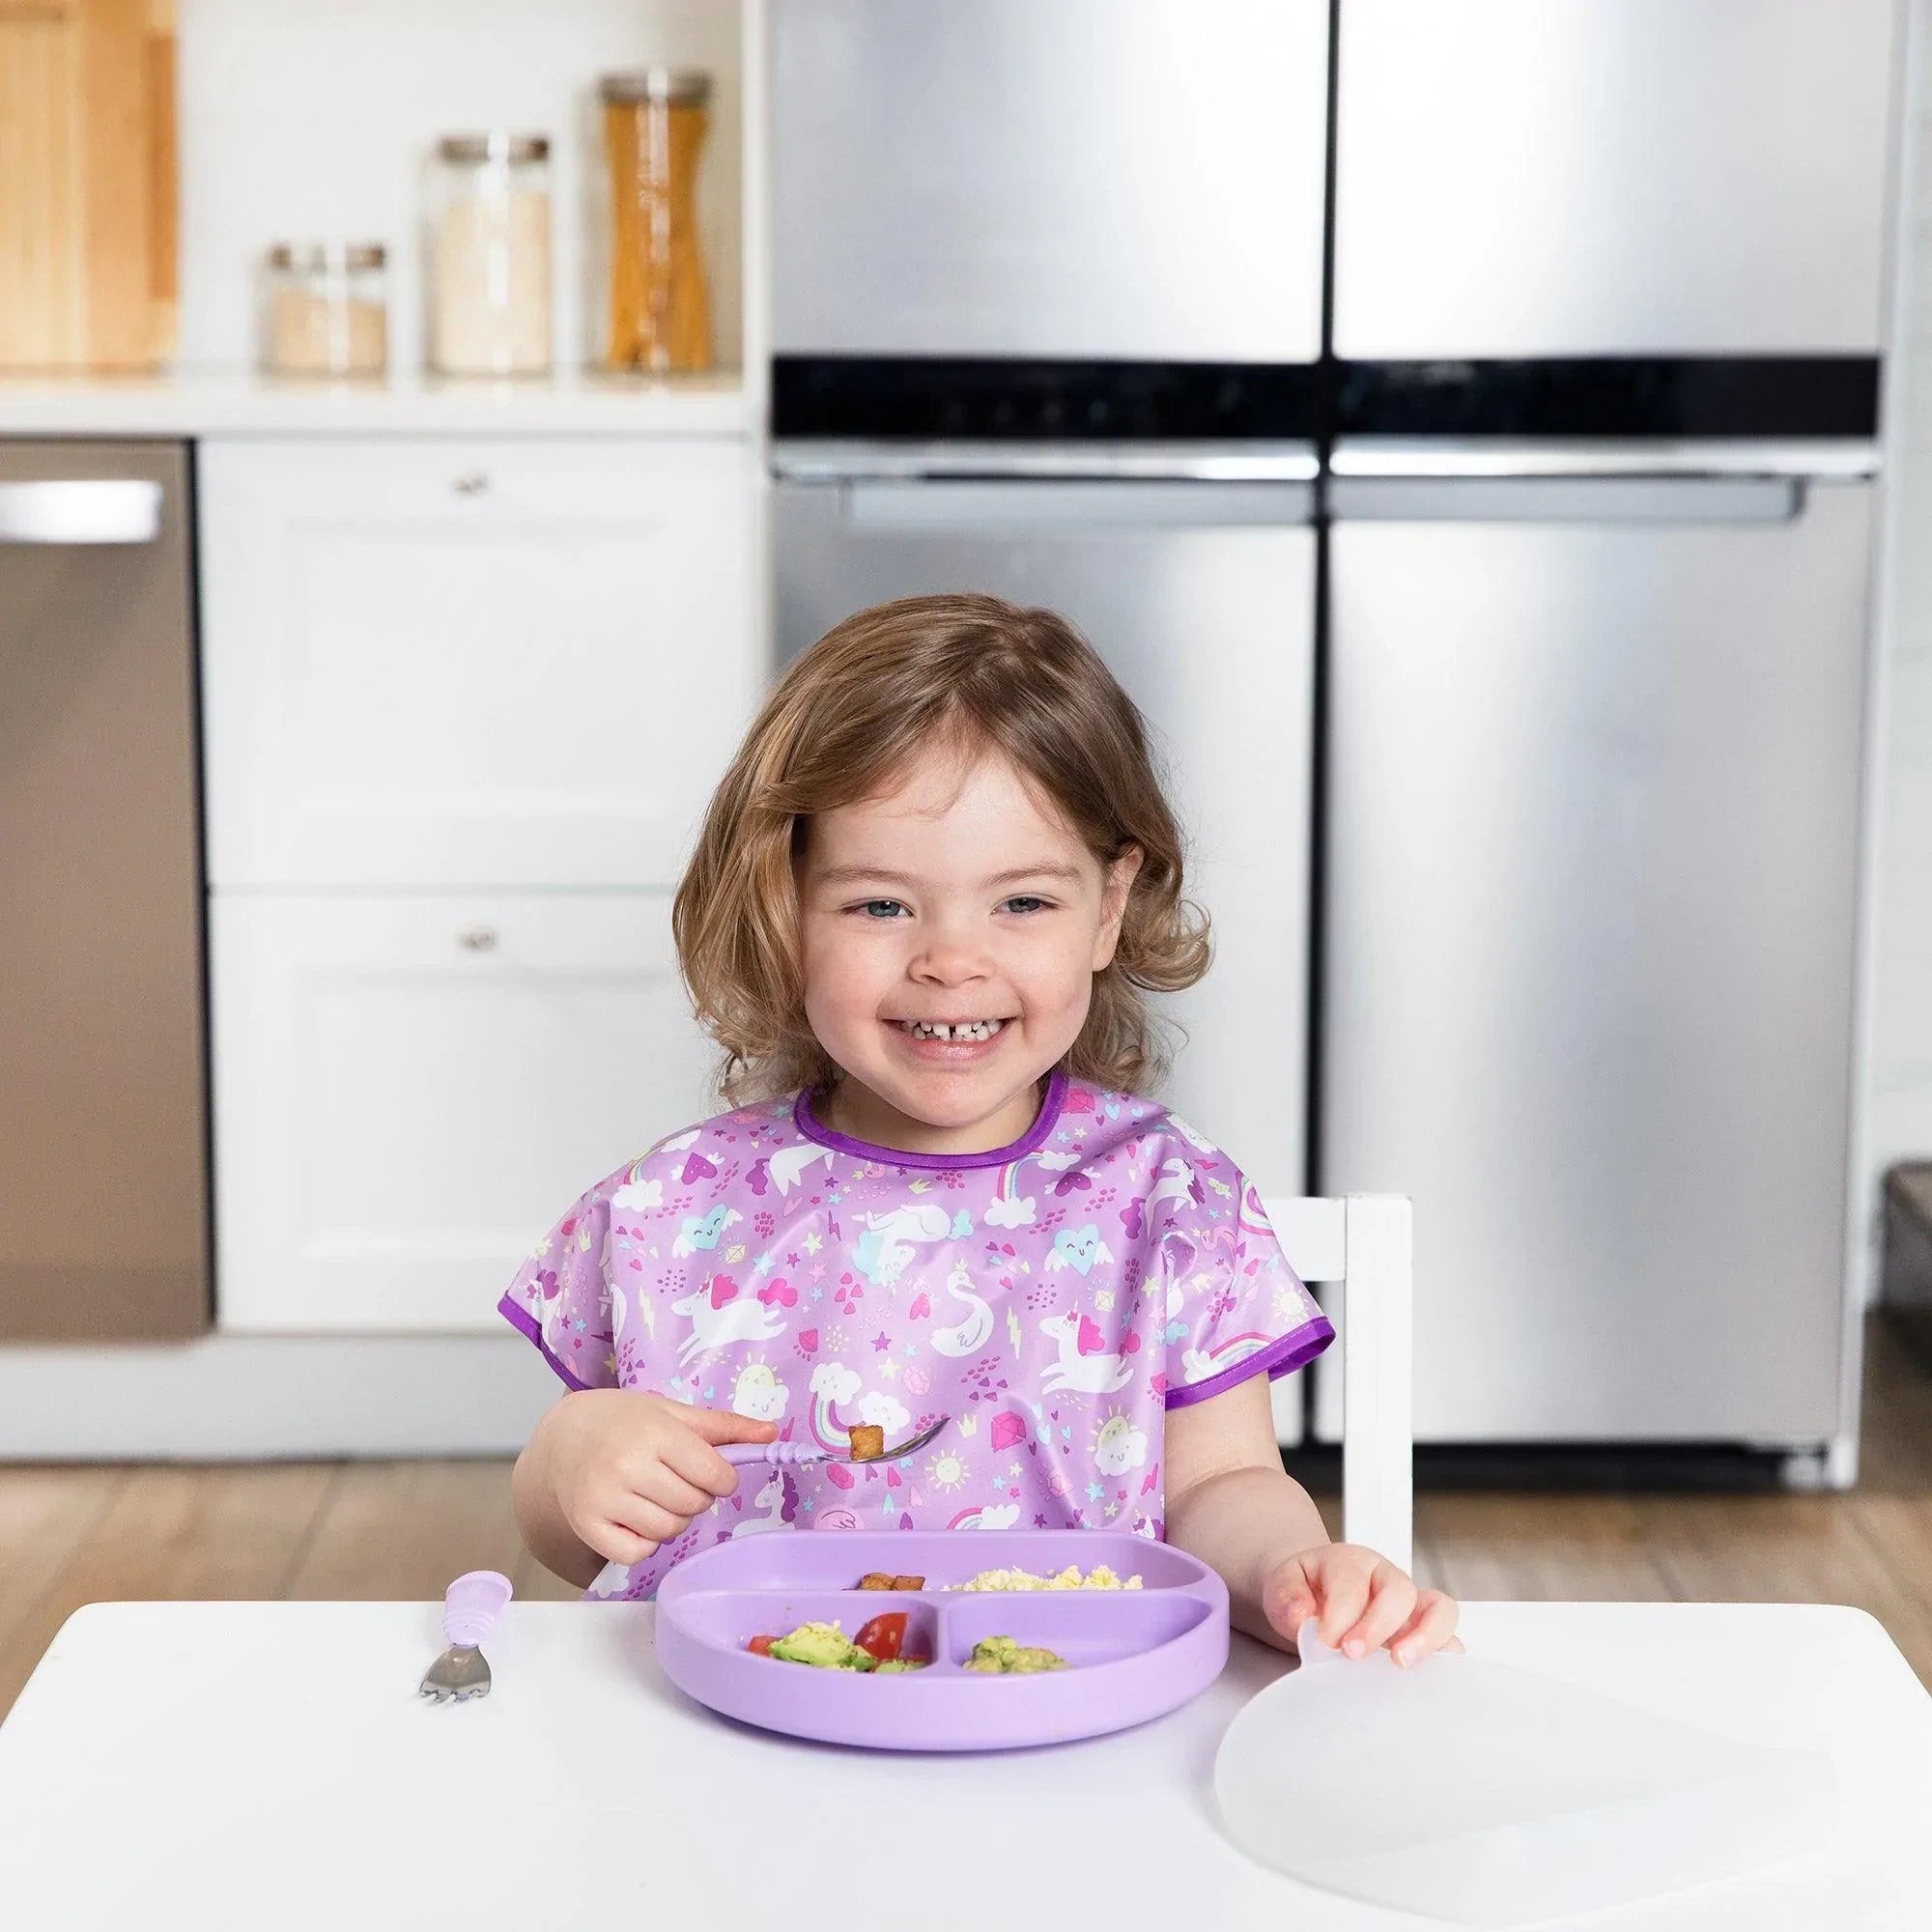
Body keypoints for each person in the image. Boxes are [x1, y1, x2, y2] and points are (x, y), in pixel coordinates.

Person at [503, 593, 1459, 1665]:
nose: (951, 961)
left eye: (1022, 904)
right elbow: (575, 1543)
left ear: (1108, 906)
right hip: (738, 1719)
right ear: (784, 906)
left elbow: (1221, 1485)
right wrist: (566, 1462)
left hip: (1073, 1707)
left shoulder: (1169, 1200)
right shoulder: (673, 1207)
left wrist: (1289, 1568)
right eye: (879, 905)